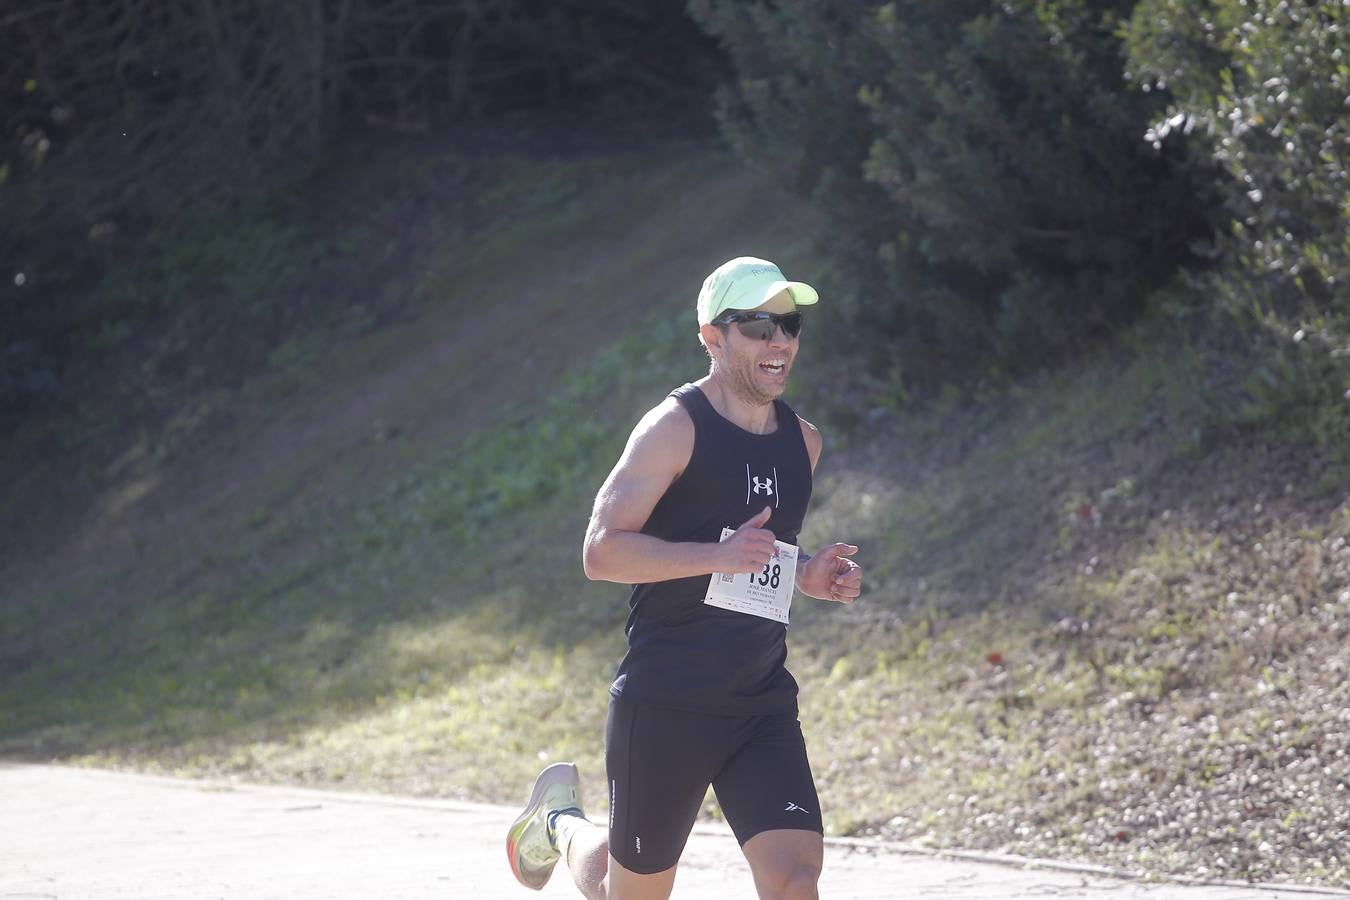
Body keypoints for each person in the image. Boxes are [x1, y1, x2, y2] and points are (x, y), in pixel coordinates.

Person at [506, 257, 864, 900]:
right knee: (631, 890)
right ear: (712, 337)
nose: (779, 341)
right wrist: (714, 555)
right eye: (756, 325)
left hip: (760, 702)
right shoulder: (674, 429)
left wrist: (805, 574)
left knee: (796, 884)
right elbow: (601, 552)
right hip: (666, 702)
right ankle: (561, 827)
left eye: (788, 324)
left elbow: (762, 553)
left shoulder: (801, 443)